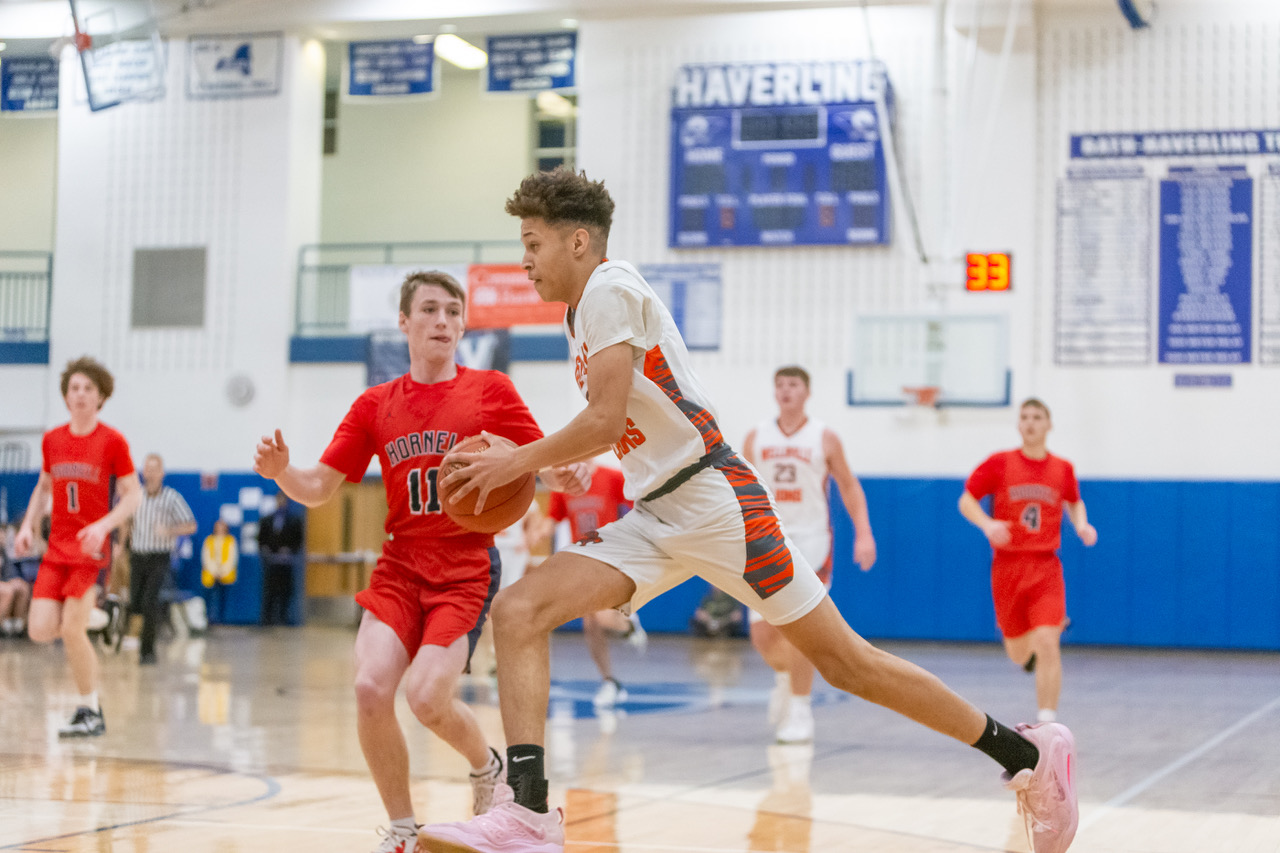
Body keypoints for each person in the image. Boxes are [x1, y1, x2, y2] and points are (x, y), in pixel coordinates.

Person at [420, 168, 1079, 853]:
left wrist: (522, 460)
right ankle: (528, 813)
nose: (525, 260)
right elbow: (625, 420)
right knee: (519, 610)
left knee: (847, 663)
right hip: (656, 513)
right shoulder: (580, 312)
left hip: (716, 505)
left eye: (533, 243)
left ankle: (1029, 755)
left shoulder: (610, 288)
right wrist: (575, 460)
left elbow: (606, 415)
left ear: (578, 241)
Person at [253, 270, 590, 853]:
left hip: (464, 568)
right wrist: (283, 472)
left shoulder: (491, 391)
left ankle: (486, 765)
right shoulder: (375, 404)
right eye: (430, 309)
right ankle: (403, 828)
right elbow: (319, 487)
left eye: (453, 311)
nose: (442, 320)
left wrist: (567, 473)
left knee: (428, 697)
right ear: (404, 322)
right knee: (369, 687)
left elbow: (539, 462)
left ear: (463, 325)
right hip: (401, 566)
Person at [742, 365, 878, 744]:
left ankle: (801, 710)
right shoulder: (756, 436)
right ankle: (785, 678)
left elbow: (849, 486)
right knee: (762, 635)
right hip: (765, 538)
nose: (786, 390)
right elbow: (741, 488)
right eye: (780, 385)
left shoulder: (824, 437)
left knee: (800, 629)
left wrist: (864, 533)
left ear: (807, 392)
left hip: (812, 542)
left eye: (794, 384)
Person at [13, 356, 141, 736]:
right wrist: (27, 525)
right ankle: (101, 618)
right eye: (74, 388)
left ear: (100, 397)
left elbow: (133, 495)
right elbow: (44, 487)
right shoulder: (52, 439)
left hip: (90, 551)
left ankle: (90, 711)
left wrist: (104, 526)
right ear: (66, 396)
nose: (81, 394)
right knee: (39, 630)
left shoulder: (112, 441)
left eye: (88, 388)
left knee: (71, 629)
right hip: (57, 549)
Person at [959, 398, 1098, 724]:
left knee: (1048, 640)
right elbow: (966, 500)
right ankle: (1033, 648)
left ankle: (1047, 725)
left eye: (1037, 417)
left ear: (1049, 425)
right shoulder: (999, 463)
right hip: (1007, 568)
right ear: (1018, 424)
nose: (1030, 422)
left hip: (1045, 565)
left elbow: (1074, 501)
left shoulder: (1062, 468)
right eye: (1025, 417)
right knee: (1017, 653)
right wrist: (987, 524)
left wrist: (1081, 524)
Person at [545, 456, 646, 708]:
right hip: (581, 561)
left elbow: (638, 506)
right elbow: (551, 522)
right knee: (590, 623)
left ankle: (628, 625)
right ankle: (609, 681)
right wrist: (529, 531)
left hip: (610, 556)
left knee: (599, 617)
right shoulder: (564, 482)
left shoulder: (611, 477)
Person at [129, 453, 197, 664]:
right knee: (135, 602)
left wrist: (169, 531)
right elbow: (124, 521)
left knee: (150, 602)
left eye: (154, 469)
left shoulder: (171, 498)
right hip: (137, 555)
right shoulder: (135, 496)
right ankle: (133, 638)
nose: (150, 474)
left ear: (161, 473)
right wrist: (119, 543)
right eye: (147, 469)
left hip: (159, 557)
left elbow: (191, 525)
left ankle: (147, 651)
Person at [257, 491, 303, 625]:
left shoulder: (294, 521)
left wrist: (289, 550)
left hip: (286, 563)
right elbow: (261, 540)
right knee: (269, 591)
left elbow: (298, 540)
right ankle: (267, 619)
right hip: (271, 563)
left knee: (285, 591)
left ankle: (282, 618)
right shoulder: (267, 520)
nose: (281, 503)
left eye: (283, 501)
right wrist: (266, 551)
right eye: (279, 500)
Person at [201, 518, 239, 624]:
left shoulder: (230, 540)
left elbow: (232, 558)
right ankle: (208, 618)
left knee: (223, 598)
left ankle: (221, 619)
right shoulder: (209, 540)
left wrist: (223, 571)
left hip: (225, 574)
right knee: (209, 598)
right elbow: (206, 557)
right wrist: (214, 571)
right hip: (211, 574)